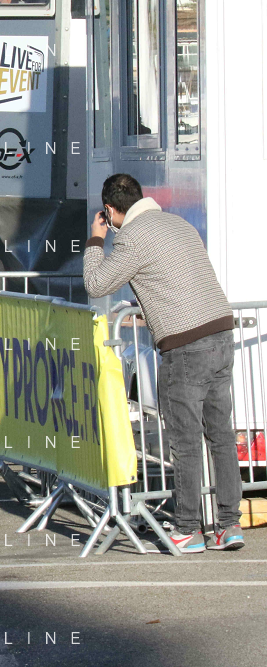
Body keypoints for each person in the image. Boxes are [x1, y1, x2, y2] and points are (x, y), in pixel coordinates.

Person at [83, 173, 243, 553]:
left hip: (185, 345)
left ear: (110, 209)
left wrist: (96, 240)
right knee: (220, 435)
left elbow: (96, 283)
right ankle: (229, 525)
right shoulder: (178, 223)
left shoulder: (133, 237)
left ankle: (188, 528)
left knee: (185, 441)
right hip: (220, 331)